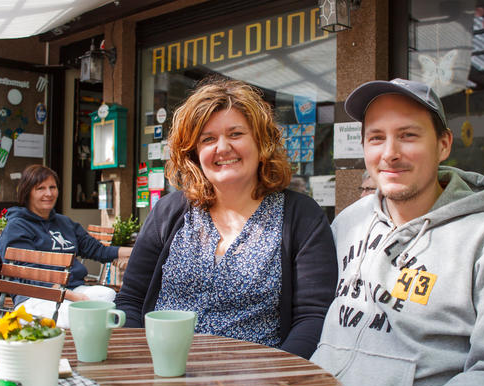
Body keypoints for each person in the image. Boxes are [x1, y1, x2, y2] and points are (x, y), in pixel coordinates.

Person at [310, 78, 484, 386]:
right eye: (376, 138)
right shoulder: (351, 220)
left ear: (444, 144)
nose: (390, 154)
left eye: (408, 135)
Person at [115, 78, 337, 359]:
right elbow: (131, 299)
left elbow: (313, 317)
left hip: (257, 382)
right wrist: (137, 362)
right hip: (160, 371)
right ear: (195, 153)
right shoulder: (169, 211)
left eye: (235, 134)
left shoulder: (302, 217)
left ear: (262, 143)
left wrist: (277, 378)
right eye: (208, 139)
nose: (222, 147)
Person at [0, 165, 132, 328]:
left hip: (73, 289)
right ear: (27, 193)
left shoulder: (64, 223)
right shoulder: (17, 227)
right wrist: (76, 299)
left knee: (108, 295)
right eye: (41, 188)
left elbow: (99, 250)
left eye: (52, 187)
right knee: (78, 314)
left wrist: (139, 251)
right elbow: (31, 278)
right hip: (35, 297)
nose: (49, 193)